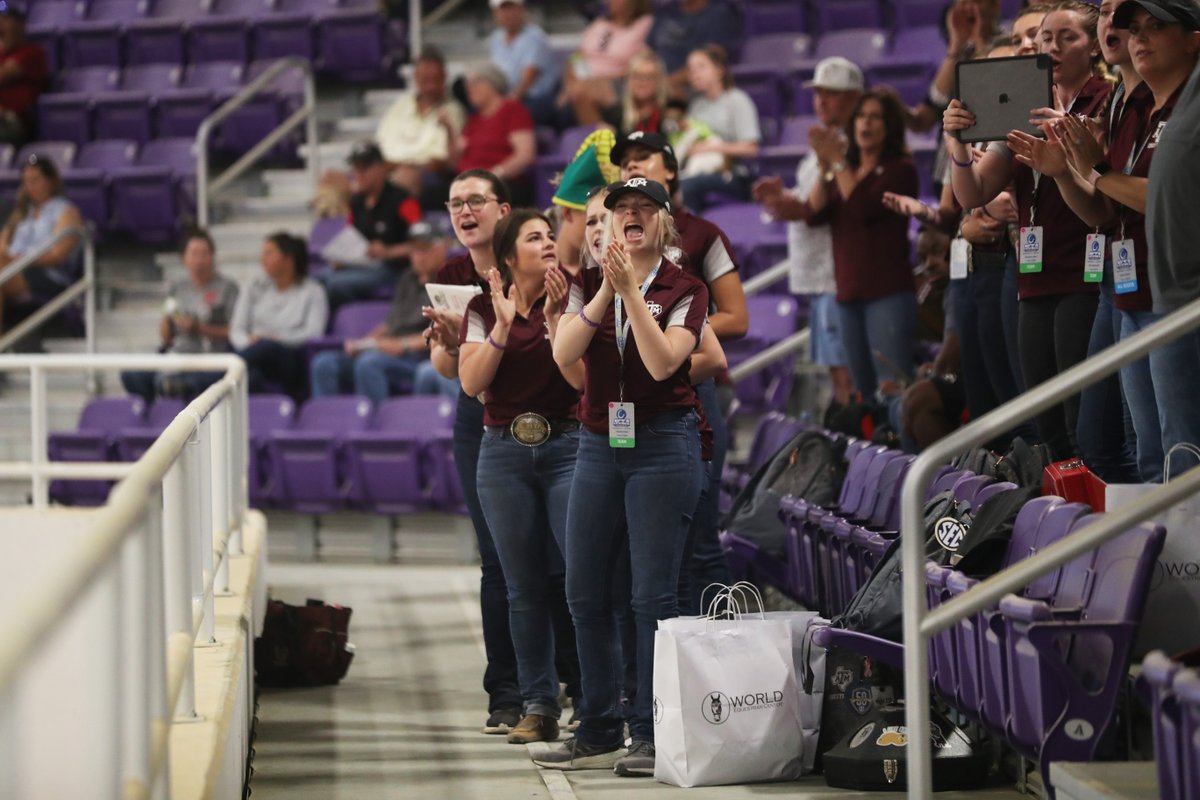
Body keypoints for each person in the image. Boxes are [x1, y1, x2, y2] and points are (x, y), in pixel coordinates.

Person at [537, 178, 707, 776]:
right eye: (620, 211)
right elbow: (564, 355)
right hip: (597, 442)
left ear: (662, 223)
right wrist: (606, 289)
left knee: (650, 596)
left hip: (662, 444)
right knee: (582, 588)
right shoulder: (590, 282)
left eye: (642, 210)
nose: (630, 217)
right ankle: (598, 726)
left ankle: (650, 733)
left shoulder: (687, 288)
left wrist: (632, 293)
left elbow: (664, 364)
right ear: (607, 226)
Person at [1015, 0, 1200, 480]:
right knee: (1147, 455)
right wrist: (1063, 174)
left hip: (1176, 297)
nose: (1139, 38)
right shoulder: (1133, 105)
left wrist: (1096, 172)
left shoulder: (1189, 109)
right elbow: (1102, 213)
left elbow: (1166, 198)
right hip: (1128, 292)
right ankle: (1159, 555)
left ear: (1193, 37)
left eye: (1154, 27)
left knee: (1181, 454)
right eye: (1132, 28)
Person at [944, 0, 1112, 460]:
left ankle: (1095, 521)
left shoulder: (1107, 100)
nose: (1051, 47)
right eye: (1045, 39)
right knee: (1047, 419)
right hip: (1034, 275)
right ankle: (1062, 518)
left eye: (1066, 38)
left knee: (1083, 421)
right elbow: (972, 192)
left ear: (1094, 48)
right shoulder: (1022, 104)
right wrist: (957, 147)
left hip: (1087, 273)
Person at [459, 209, 584, 745]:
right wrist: (505, 328)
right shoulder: (483, 307)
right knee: (522, 586)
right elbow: (470, 383)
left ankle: (595, 697)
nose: (549, 243)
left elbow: (581, 380)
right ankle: (538, 705)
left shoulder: (577, 294)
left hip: (568, 447)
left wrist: (557, 320)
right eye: (535, 237)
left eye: (551, 235)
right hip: (504, 452)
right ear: (509, 256)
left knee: (581, 578)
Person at [611, 130, 746, 613]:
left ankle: (718, 662)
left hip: (689, 389)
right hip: (625, 404)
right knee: (638, 550)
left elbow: (737, 317)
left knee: (699, 539)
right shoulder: (613, 237)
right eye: (625, 161)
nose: (633, 166)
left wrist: (674, 333)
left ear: (670, 169)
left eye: (643, 157)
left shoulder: (702, 234)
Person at [424, 170, 531, 733]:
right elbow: (450, 372)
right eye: (455, 204)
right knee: (496, 559)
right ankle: (506, 693)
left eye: (475, 201)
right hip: (481, 418)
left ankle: (563, 677)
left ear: (502, 208)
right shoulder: (450, 275)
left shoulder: (533, 258)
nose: (464, 211)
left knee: (556, 560)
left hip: (541, 413)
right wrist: (446, 343)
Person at [753, 56, 862, 409]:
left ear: (854, 98)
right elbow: (813, 200)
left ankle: (859, 442)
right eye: (819, 93)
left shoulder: (851, 145)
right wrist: (783, 197)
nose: (822, 101)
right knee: (835, 371)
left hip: (837, 277)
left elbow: (821, 207)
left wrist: (791, 207)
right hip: (821, 276)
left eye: (833, 94)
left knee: (847, 373)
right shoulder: (824, 144)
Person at [805, 87, 920, 395]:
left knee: (892, 387)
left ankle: (905, 444)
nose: (866, 124)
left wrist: (838, 162)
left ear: (889, 126)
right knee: (863, 392)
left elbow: (862, 208)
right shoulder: (848, 170)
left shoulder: (901, 170)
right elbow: (813, 213)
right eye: (861, 117)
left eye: (875, 118)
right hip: (848, 294)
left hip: (887, 295)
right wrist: (825, 165)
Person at [310, 220, 447, 405]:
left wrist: (402, 344)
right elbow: (390, 323)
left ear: (441, 249)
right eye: (414, 250)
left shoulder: (451, 279)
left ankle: (376, 427)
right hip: (391, 351)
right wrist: (365, 342)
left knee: (369, 363)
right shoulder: (407, 278)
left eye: (424, 249)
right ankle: (327, 425)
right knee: (324, 364)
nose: (418, 256)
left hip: (420, 356)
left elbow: (446, 333)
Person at [121, 229, 238, 403]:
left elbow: (236, 332)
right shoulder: (176, 289)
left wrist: (199, 328)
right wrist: (167, 323)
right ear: (184, 258)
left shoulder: (228, 288)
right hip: (178, 354)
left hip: (211, 356)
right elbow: (166, 338)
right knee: (131, 375)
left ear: (212, 256)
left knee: (167, 381)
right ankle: (153, 414)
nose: (200, 260)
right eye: (194, 254)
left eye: (204, 254)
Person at [317, 140, 423, 311]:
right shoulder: (357, 202)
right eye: (355, 169)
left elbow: (424, 242)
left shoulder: (402, 200)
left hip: (392, 269)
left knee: (335, 284)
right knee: (316, 280)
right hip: (359, 264)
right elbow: (349, 235)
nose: (358, 175)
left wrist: (389, 252)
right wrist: (343, 257)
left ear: (380, 168)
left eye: (364, 169)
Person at [229, 232, 329, 397]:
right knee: (252, 377)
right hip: (252, 353)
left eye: (269, 253)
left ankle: (211, 379)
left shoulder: (313, 291)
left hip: (289, 356)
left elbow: (313, 333)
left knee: (267, 346)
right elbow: (236, 329)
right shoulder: (253, 287)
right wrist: (248, 343)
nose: (263, 259)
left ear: (288, 259)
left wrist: (278, 339)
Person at [0, 154, 83, 336]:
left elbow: (57, 255)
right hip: (11, 268)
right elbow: (2, 244)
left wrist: (18, 260)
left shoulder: (66, 211)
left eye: (36, 180)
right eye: (26, 181)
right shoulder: (21, 213)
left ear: (51, 181)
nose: (31, 186)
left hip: (46, 275)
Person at [374, 47, 465, 211]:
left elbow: (443, 163)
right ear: (415, 78)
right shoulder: (399, 107)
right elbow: (380, 144)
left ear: (444, 78)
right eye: (425, 80)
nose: (430, 87)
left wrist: (403, 167)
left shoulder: (453, 111)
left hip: (426, 175)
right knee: (335, 181)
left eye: (434, 80)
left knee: (401, 181)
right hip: (387, 168)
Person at [679, 45, 762, 210]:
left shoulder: (737, 100)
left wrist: (711, 148)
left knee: (686, 186)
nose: (694, 74)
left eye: (701, 67)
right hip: (699, 169)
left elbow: (751, 149)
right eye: (691, 69)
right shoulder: (696, 106)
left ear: (719, 70)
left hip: (733, 173)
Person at [451, 65, 537, 206]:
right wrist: (448, 130)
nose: (469, 89)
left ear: (493, 84)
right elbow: (454, 160)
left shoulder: (512, 110)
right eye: (468, 85)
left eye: (475, 83)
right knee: (427, 192)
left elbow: (525, 154)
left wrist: (493, 175)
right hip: (466, 182)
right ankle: (418, 225)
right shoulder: (473, 119)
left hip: (501, 183)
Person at [560, 0, 654, 126]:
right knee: (578, 90)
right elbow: (577, 56)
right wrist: (571, 80)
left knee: (580, 91)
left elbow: (645, 62)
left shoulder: (644, 25)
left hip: (620, 81)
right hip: (585, 79)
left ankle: (601, 141)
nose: (608, 2)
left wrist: (599, 80)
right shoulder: (599, 24)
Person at [551, 129, 621, 275]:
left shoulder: (616, 271)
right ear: (567, 213)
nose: (604, 229)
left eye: (608, 219)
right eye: (592, 220)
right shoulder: (537, 268)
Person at [646, 0, 741, 99]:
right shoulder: (666, 12)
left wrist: (665, 84)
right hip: (657, 83)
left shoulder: (718, 14)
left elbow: (713, 60)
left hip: (690, 87)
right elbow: (647, 51)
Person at [487, 0, 559, 127]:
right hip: (506, 95)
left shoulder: (535, 38)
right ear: (495, 14)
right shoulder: (496, 38)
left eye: (512, 9)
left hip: (535, 99)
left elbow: (527, 79)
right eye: (503, 10)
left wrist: (503, 105)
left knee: (503, 116)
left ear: (522, 10)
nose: (508, 14)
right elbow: (494, 75)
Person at [0, 3, 46, 145]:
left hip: (13, 122)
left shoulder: (31, 52)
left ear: (21, 25)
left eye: (6, 20)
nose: (1, 25)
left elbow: (3, 74)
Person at [619, 51, 669, 135]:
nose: (643, 82)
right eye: (637, 76)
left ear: (659, 81)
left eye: (649, 77)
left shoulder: (670, 112)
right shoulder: (615, 115)